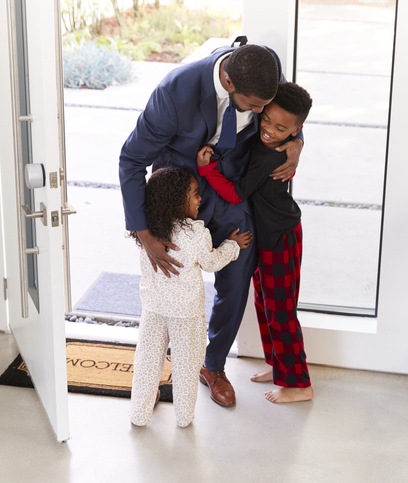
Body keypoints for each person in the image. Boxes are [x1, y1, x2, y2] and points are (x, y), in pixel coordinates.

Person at [119, 39, 304, 408]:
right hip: (181, 194)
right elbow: (132, 160)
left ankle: (213, 365)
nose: (261, 112)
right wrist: (144, 232)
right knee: (168, 288)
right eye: (255, 106)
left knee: (237, 279)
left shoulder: (265, 68)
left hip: (232, 192)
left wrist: (297, 141)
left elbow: (289, 114)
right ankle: (155, 370)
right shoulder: (174, 92)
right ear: (230, 83)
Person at [198, 82, 314, 404]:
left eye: (281, 129)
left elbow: (236, 193)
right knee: (265, 303)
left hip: (281, 237)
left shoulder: (271, 156)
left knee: (281, 310)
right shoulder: (272, 143)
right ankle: (279, 367)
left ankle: (299, 384)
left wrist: (208, 171)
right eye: (267, 120)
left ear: (296, 131)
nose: (270, 130)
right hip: (270, 235)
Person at [128, 167, 252, 427]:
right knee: (186, 366)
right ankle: (184, 418)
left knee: (147, 363)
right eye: (195, 194)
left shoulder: (149, 233)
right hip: (187, 314)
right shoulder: (196, 234)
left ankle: (139, 415)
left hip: (154, 309)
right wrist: (232, 245)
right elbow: (211, 263)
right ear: (177, 201)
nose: (200, 199)